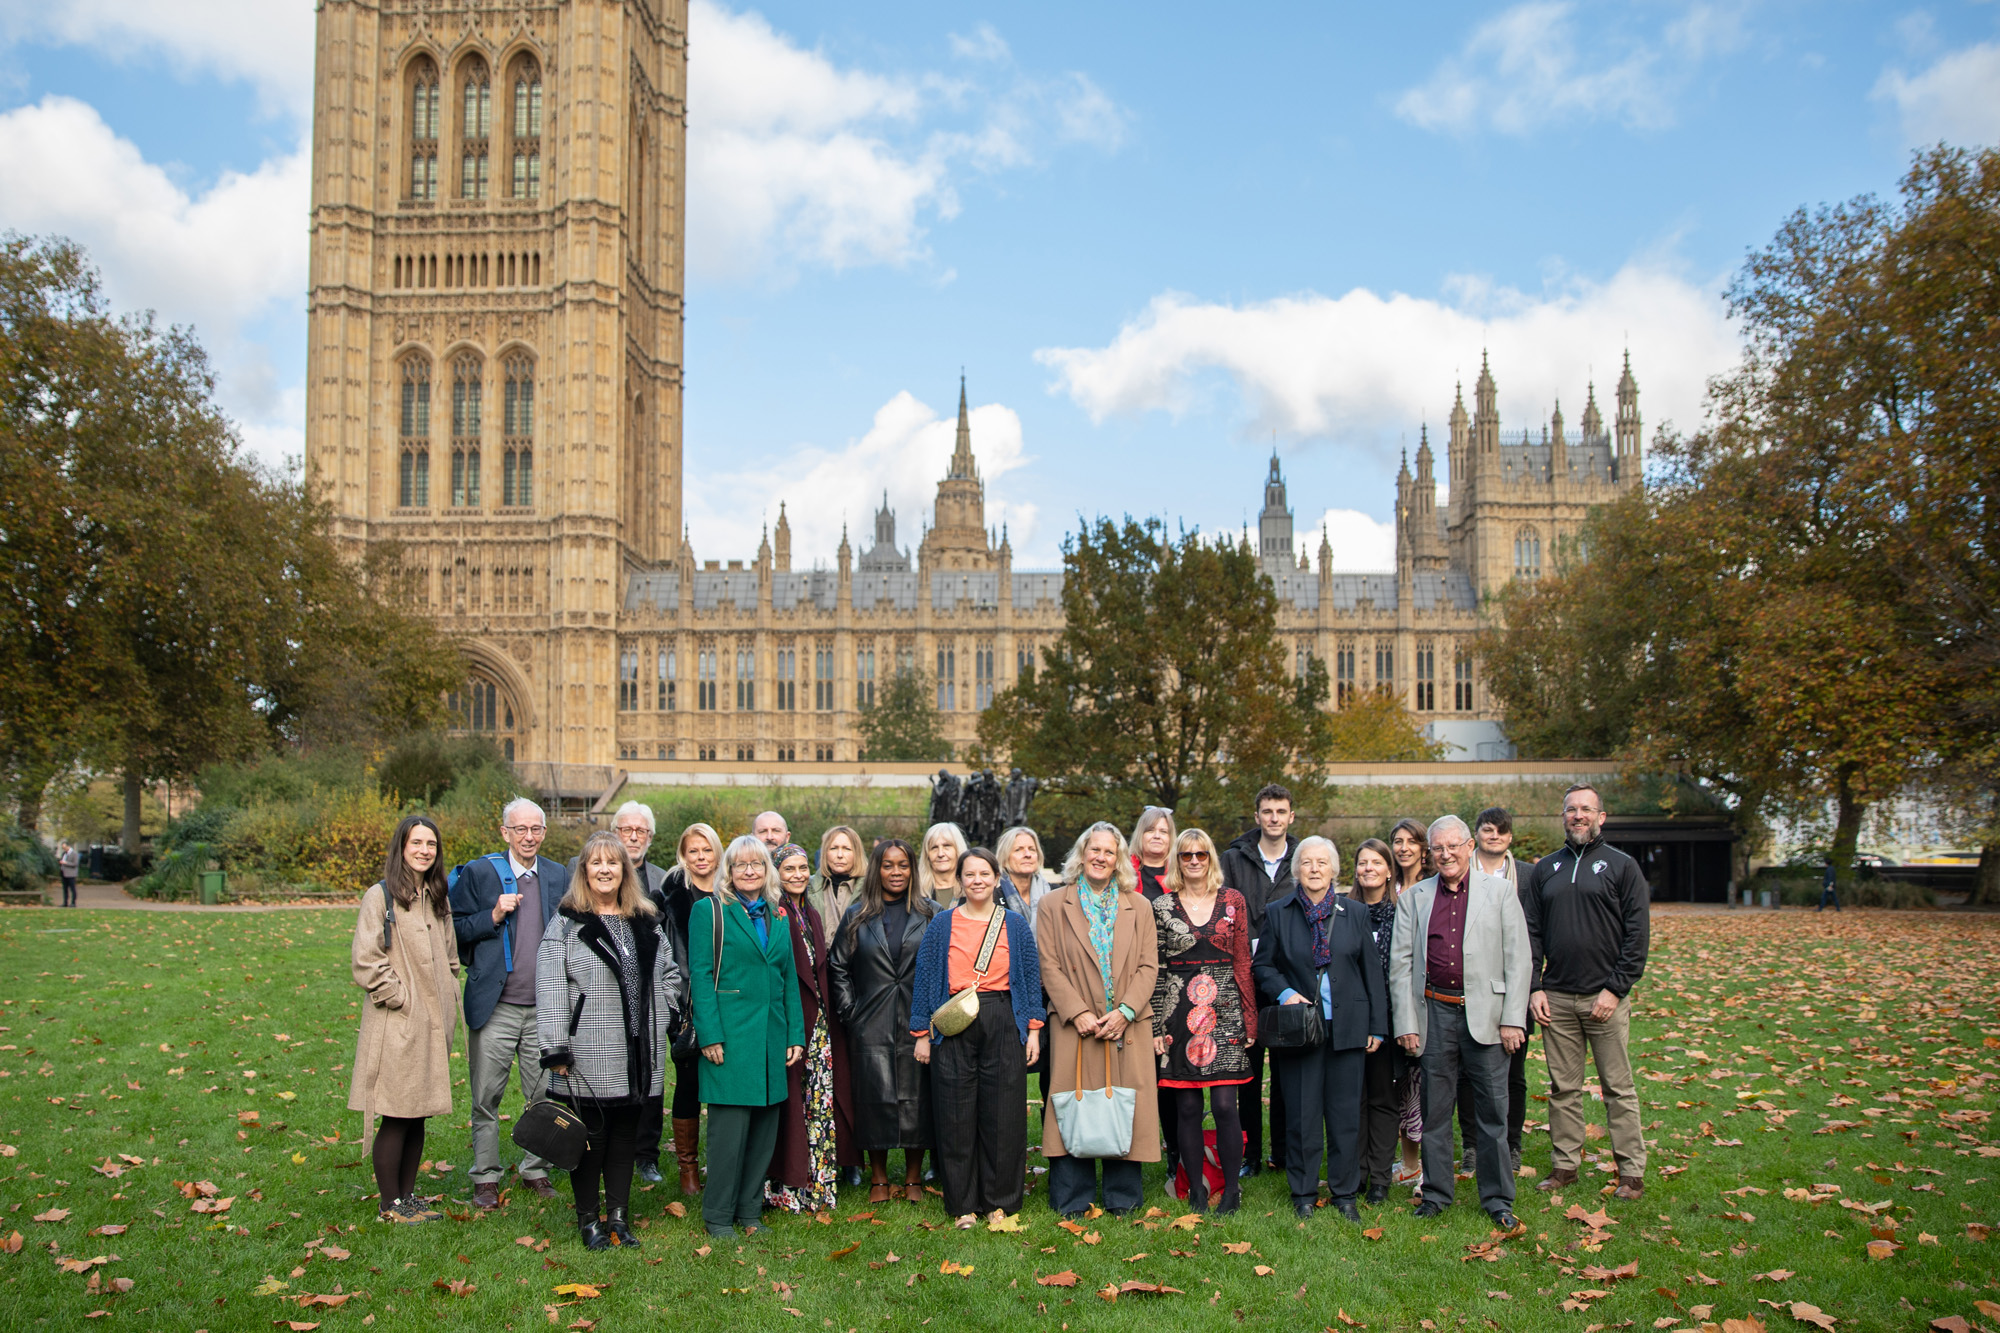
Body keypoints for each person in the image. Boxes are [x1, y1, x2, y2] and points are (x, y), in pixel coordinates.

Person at [537, 833, 681, 1249]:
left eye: (613, 863)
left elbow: (670, 974)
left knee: (625, 1136)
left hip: (639, 1050)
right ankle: (589, 1220)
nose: (605, 870)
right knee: (592, 1137)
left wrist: (664, 1010)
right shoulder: (566, 922)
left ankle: (618, 1217)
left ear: (625, 870)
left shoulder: (646, 919)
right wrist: (556, 1047)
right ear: (584, 870)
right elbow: (549, 987)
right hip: (587, 1048)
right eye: (596, 863)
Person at [1389, 815, 1529, 1230]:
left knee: (1492, 1113)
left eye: (1453, 846)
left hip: (1486, 1015)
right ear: (1430, 853)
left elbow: (1519, 961)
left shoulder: (1501, 893)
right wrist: (1406, 1022)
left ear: (1470, 846)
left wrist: (1512, 1019)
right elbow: (1400, 965)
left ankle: (1498, 1198)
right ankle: (1435, 1194)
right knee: (1435, 1111)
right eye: (1438, 848)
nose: (1446, 854)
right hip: (1434, 1014)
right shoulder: (1415, 898)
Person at [1527, 784, 1651, 1202]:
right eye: (1571, 809)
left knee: (1618, 1087)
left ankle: (1631, 1172)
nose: (1578, 815)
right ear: (1562, 816)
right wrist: (1535, 987)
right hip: (1557, 999)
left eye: (1586, 809)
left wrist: (1615, 990)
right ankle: (1565, 1166)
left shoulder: (1622, 867)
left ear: (1602, 816)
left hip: (1605, 999)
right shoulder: (1547, 869)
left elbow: (1637, 936)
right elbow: (1533, 933)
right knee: (1563, 1088)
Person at [1254, 836, 1385, 1221]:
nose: (1314, 868)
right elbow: (1263, 966)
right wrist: (1286, 993)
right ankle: (1304, 1192)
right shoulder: (1278, 912)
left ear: (1333, 870)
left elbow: (1371, 974)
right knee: (1302, 1114)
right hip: (1300, 1028)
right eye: (1307, 862)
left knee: (1345, 1115)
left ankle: (1345, 1193)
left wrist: (1377, 1026)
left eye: (1321, 862)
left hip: (1348, 1027)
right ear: (1297, 870)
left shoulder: (1355, 913)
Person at [911, 848, 1044, 1225]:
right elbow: (924, 979)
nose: (977, 881)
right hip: (954, 1022)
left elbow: (1031, 980)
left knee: (1004, 1115)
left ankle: (1000, 1201)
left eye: (984, 874)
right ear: (960, 881)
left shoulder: (1015, 925)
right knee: (955, 1114)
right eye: (969, 875)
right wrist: (922, 1033)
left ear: (996, 878)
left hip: (1003, 1017)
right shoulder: (942, 925)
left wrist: (1033, 1029)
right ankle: (963, 1205)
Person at [1037, 822, 1161, 1217]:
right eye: (1094, 849)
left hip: (1127, 1023)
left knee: (1125, 1104)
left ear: (1119, 860)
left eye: (1109, 852)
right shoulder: (1054, 904)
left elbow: (1148, 966)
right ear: (1081, 853)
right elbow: (1050, 965)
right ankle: (1072, 1197)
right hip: (1076, 1024)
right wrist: (1079, 1013)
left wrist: (1125, 1012)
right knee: (1074, 1101)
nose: (1101, 857)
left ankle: (1123, 1199)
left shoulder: (1139, 906)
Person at [451, 796, 567, 1209]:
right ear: (504, 832)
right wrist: (493, 916)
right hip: (496, 1005)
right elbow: (456, 929)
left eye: (536, 829)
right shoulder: (481, 873)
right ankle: (485, 1176)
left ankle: (535, 1169)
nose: (529, 836)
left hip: (544, 1008)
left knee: (543, 1095)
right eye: (520, 829)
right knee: (486, 1096)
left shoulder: (557, 874)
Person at [688, 835, 805, 1237]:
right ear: (729, 871)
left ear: (767, 869)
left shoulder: (779, 915)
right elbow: (701, 977)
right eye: (741, 865)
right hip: (730, 1036)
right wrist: (709, 1035)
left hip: (772, 1037)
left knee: (763, 1132)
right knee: (729, 1134)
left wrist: (795, 1034)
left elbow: (788, 978)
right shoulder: (710, 912)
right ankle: (718, 1216)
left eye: (757, 863)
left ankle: (749, 1211)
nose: (750, 871)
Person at [349, 815, 462, 1223]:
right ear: (402, 847)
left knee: (419, 1112)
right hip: (398, 1023)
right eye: (416, 843)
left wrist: (450, 992)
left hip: (433, 1023)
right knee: (397, 1112)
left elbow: (450, 956)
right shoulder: (379, 897)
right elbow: (366, 960)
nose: (424, 850)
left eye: (431, 844)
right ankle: (390, 1204)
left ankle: (408, 1197)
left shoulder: (436, 896)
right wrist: (400, 998)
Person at [570, 802, 679, 1185]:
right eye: (626, 830)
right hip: (598, 1014)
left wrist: (665, 1005)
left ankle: (644, 1155)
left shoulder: (663, 880)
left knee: (647, 1084)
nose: (633, 837)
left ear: (650, 837)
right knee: (602, 1089)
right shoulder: (579, 889)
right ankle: (589, 1157)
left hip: (646, 1004)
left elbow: (668, 949)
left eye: (641, 831)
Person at [1151, 827, 1255, 1212]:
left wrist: (1250, 1017)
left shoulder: (1233, 901)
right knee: (1188, 1106)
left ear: (1211, 858)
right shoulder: (1161, 906)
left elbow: (1243, 960)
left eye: (1201, 855)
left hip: (1226, 1010)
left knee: (1227, 1104)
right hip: (1178, 1012)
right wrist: (1155, 1027)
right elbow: (1158, 969)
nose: (1194, 861)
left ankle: (1230, 1190)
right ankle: (1195, 1188)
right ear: (1176, 861)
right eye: (1186, 855)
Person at [829, 839, 938, 1203]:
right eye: (888, 865)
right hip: (870, 1021)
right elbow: (838, 966)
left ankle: (912, 1178)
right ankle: (877, 1177)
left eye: (903, 865)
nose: (895, 872)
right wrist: (851, 1013)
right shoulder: (858, 914)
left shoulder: (931, 913)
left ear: (912, 869)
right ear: (876, 869)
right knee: (873, 1097)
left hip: (917, 1019)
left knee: (917, 1098)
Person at [765, 843, 851, 1214]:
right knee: (790, 1106)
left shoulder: (810, 913)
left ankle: (817, 1184)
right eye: (789, 870)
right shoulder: (774, 913)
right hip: (791, 1021)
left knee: (818, 1103)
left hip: (818, 1023)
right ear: (777, 874)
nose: (798, 875)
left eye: (803, 868)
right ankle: (785, 1187)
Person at [1219, 783, 1300, 1178]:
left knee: (1286, 1072)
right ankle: (1249, 1154)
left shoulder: (1302, 860)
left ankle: (1283, 1153)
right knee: (1246, 1072)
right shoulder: (1234, 859)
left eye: (1280, 811)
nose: (1273, 818)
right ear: (1257, 816)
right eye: (1267, 811)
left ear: (1291, 816)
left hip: (1285, 978)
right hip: (1241, 979)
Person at [1348, 837, 1412, 1204]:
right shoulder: (1342, 911)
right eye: (1363, 863)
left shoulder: (1402, 913)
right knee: (1352, 1098)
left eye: (1377, 862)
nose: (1369, 868)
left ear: (1390, 870)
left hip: (1388, 1020)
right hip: (1350, 1021)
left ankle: (1379, 1178)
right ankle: (1355, 1173)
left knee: (1383, 1100)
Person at [660, 822, 722, 1194]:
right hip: (685, 1004)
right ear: (684, 855)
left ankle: (722, 1161)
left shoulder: (732, 892)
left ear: (717, 852)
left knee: (722, 1084)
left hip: (726, 998)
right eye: (693, 851)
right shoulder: (672, 897)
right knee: (688, 1084)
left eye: (706, 850)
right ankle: (688, 1169)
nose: (700, 857)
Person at [1473, 806, 1531, 1176]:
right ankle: (1471, 1147)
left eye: (1501, 831)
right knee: (1467, 1074)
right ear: (1475, 835)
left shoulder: (1528, 875)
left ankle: (1511, 1143)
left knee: (1514, 1073)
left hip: (1513, 986)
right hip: (1468, 987)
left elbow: (1534, 931)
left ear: (1510, 838)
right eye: (1487, 830)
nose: (1494, 836)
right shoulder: (1461, 871)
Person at [1386, 815, 1434, 1183]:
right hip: (1387, 996)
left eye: (1411, 841)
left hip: (1423, 996)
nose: (1403, 847)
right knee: (1398, 1086)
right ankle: (1405, 1160)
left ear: (1423, 848)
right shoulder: (1386, 886)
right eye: (1398, 841)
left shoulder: (1432, 887)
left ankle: (1423, 1162)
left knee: (1422, 1082)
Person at [994, 825, 1059, 925]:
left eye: (1032, 849)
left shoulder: (1055, 893)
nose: (1027, 854)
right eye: (1018, 849)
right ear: (1004, 858)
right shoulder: (993, 898)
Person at [808, 825, 864, 926]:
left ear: (857, 853)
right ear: (825, 852)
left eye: (846, 849)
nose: (839, 855)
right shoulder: (809, 886)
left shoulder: (870, 888)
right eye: (833, 848)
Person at [1131, 807, 1176, 901]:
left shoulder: (1180, 873)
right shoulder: (1123, 870)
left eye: (1163, 832)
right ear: (1140, 835)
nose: (1157, 836)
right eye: (1150, 830)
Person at [918, 822, 968, 902]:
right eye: (934, 847)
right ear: (927, 855)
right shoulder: (915, 893)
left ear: (958, 850)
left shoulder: (972, 890)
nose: (940, 854)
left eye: (947, 846)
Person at [57, 840, 79, 907]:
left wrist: (65, 863)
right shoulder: (64, 854)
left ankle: (73, 902)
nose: (64, 849)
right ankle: (65, 902)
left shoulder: (74, 854)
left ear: (68, 846)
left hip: (71, 874)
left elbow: (75, 864)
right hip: (64, 873)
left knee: (72, 889)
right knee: (65, 889)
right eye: (63, 847)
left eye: (65, 847)